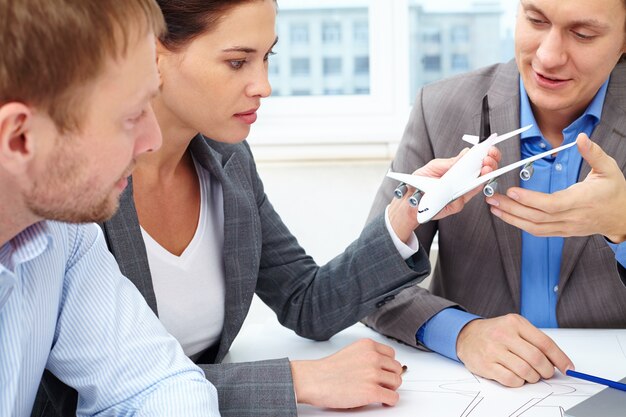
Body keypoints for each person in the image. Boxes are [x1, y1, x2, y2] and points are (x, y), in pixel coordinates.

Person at [32, 1, 500, 416]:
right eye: (237, 62)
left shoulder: (228, 161)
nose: (264, 85)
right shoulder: (80, 185)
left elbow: (307, 302)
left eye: (267, 57)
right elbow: (96, 391)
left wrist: (406, 214)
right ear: (154, 56)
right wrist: (299, 381)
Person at [363, 0, 626, 389]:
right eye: (535, 20)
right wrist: (461, 333)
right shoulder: (441, 109)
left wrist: (622, 228)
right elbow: (367, 284)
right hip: (476, 388)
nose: (548, 56)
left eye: (583, 34)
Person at [0, 0, 222, 416]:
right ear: (19, 138)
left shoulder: (63, 234)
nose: (153, 140)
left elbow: (155, 384)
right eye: (132, 116)